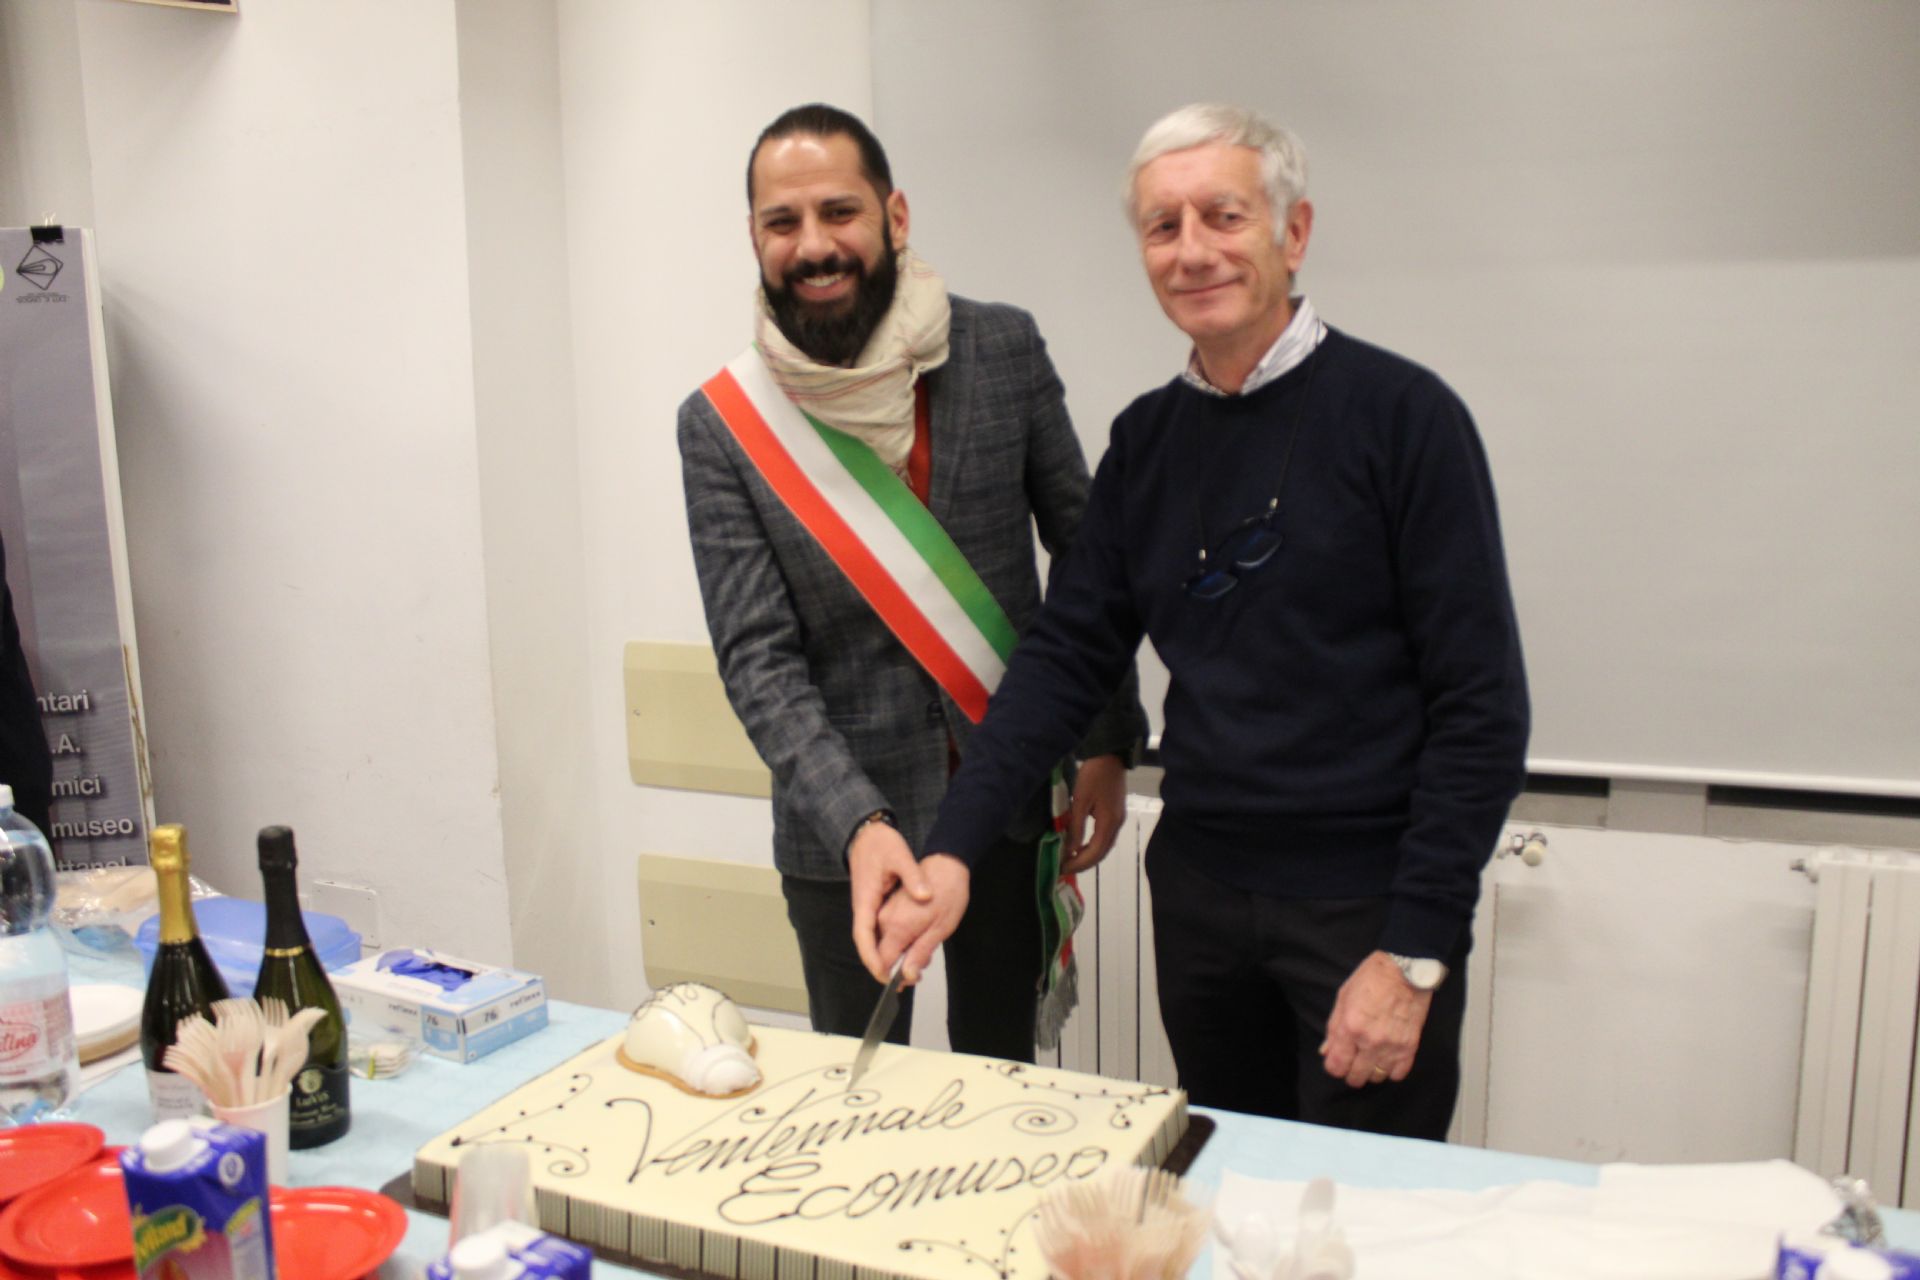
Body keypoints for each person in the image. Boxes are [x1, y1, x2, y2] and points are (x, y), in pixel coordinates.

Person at [856, 103, 1529, 1138]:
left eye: (1224, 216)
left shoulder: (1406, 420)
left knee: (1363, 1206)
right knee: (1232, 1186)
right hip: (1204, 899)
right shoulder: (1148, 441)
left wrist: (1414, 951)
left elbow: (1482, 710)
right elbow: (1064, 659)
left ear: (1293, 234)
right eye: (1163, 226)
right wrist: (952, 851)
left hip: (1365, 911)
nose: (1193, 250)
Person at [677, 104, 1145, 1061]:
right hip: (839, 834)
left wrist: (1105, 737)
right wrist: (858, 821)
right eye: (782, 222)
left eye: (839, 212)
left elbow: (1087, 558)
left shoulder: (1003, 350)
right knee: (854, 1086)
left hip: (1006, 803)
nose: (814, 245)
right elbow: (757, 660)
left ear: (894, 216)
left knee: (1002, 1078)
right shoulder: (722, 424)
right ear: (755, 238)